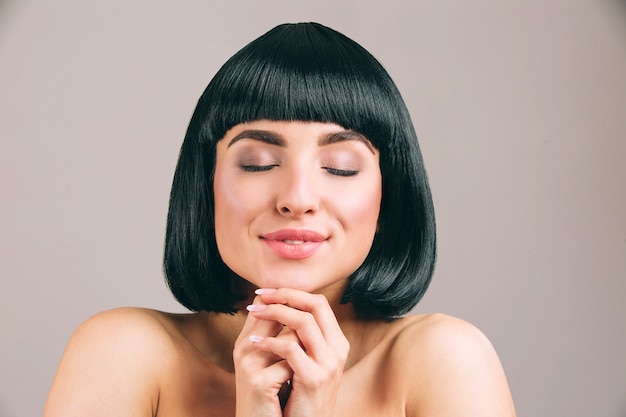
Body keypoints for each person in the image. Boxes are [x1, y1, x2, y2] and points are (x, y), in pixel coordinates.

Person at [44, 22, 516, 416]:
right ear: (205, 186)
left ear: (388, 199)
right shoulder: (122, 352)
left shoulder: (445, 360)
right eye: (258, 163)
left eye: (340, 168)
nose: (297, 198)